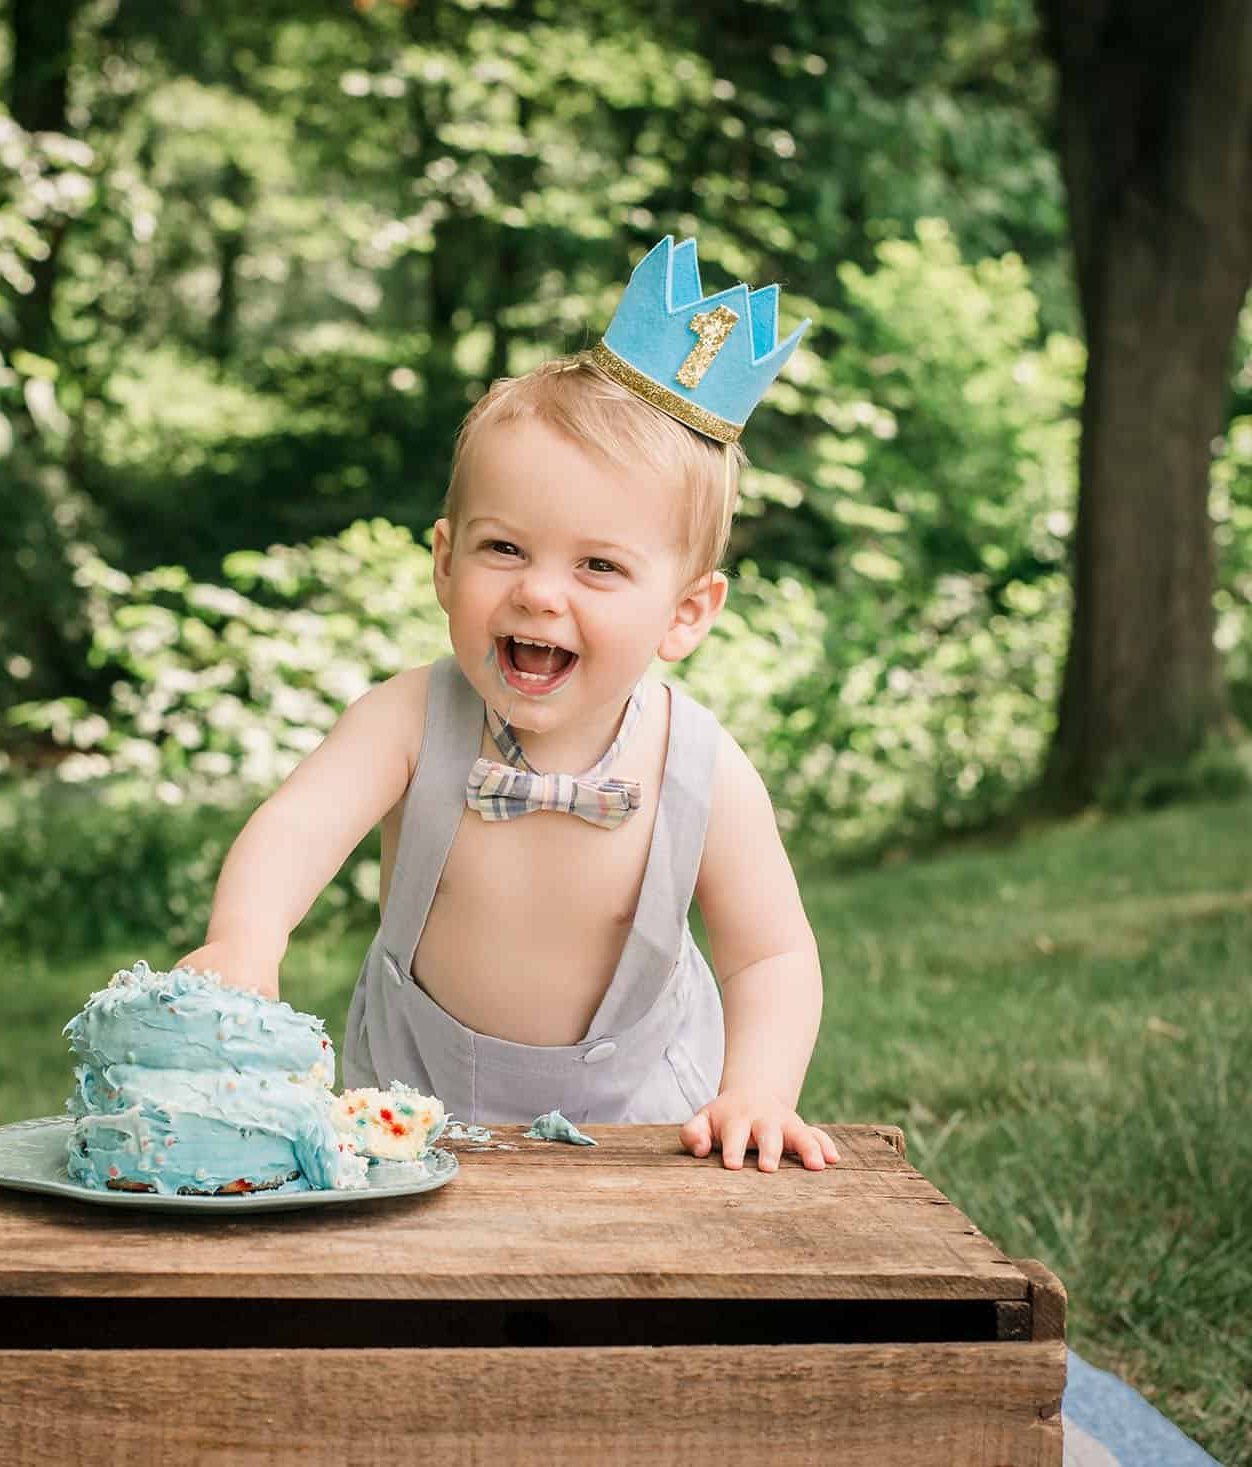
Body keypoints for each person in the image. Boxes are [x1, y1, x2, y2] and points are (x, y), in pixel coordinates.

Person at [177, 237, 837, 1173]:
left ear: (686, 613)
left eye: (599, 566)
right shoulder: (408, 720)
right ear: (444, 561)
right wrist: (244, 939)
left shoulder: (700, 767)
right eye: (504, 549)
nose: (539, 594)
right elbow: (294, 827)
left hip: (648, 1119)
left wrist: (760, 1090)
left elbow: (770, 955)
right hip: (411, 1105)